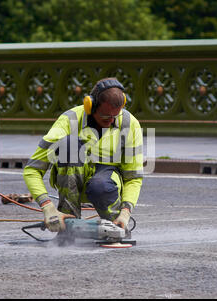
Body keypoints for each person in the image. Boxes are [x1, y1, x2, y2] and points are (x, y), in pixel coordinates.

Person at [23, 78, 143, 233]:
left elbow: (133, 177)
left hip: (105, 183)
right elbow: (32, 169)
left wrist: (126, 212)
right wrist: (47, 207)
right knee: (68, 144)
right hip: (71, 181)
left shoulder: (128, 123)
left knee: (100, 186)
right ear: (90, 106)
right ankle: (68, 224)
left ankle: (115, 226)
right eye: (106, 117)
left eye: (115, 116)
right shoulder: (70, 120)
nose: (112, 121)